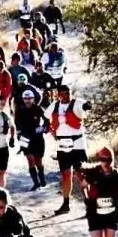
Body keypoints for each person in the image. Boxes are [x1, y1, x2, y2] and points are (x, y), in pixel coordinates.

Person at [46, 84, 92, 215]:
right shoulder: (55, 106)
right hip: (62, 145)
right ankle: (66, 204)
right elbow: (45, 118)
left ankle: (89, 204)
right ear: (58, 94)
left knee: (81, 174)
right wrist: (52, 131)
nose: (66, 95)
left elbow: (84, 106)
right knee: (66, 175)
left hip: (77, 144)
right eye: (63, 93)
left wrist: (87, 106)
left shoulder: (76, 103)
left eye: (68, 93)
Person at [14, 88, 49, 190]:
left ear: (33, 99)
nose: (28, 100)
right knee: (30, 160)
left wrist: (42, 128)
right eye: (25, 98)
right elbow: (17, 125)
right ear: (23, 99)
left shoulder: (38, 109)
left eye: (29, 98)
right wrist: (19, 137)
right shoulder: (19, 110)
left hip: (37, 137)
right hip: (25, 137)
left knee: (38, 161)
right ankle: (36, 182)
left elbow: (47, 121)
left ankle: (42, 179)